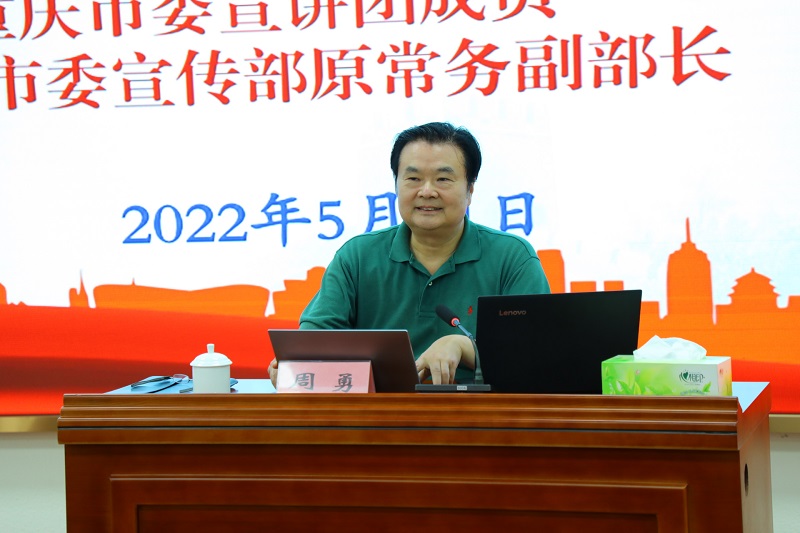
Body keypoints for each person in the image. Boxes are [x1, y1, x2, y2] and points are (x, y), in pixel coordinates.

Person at [269, 122, 550, 386]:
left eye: (443, 179)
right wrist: (296, 365)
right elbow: (314, 339)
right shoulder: (357, 257)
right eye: (413, 178)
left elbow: (538, 354)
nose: (426, 191)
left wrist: (465, 347)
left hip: (483, 416)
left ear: (470, 190)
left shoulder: (512, 258)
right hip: (377, 415)